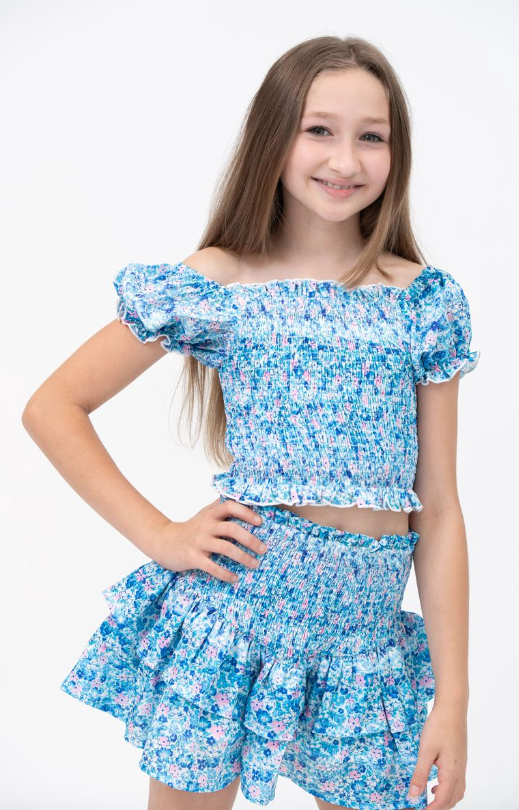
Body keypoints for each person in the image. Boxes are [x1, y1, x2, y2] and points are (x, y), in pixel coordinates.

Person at [22, 34, 479, 810]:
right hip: (233, 621)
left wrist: (453, 700)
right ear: (273, 136)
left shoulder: (422, 302)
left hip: (362, 646)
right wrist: (161, 535)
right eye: (318, 130)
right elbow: (53, 407)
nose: (345, 159)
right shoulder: (219, 283)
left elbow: (436, 509)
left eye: (371, 137)